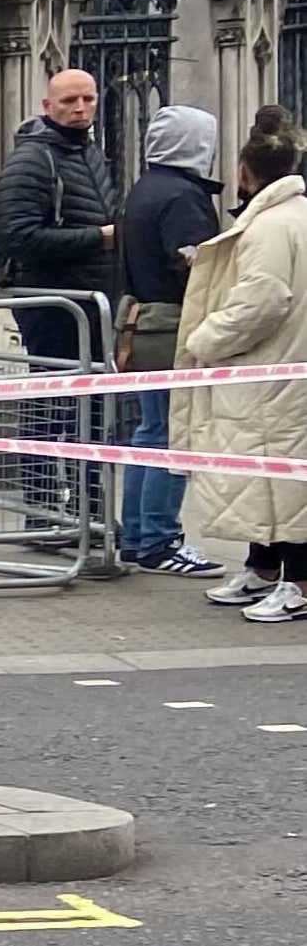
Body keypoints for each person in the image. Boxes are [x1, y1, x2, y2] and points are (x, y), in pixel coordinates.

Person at [0, 68, 121, 540]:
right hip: (52, 304)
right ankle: (42, 515)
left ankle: (89, 511)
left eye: (88, 99)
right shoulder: (32, 161)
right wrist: (96, 238)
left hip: (87, 302)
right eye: (69, 102)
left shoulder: (90, 152)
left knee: (90, 412)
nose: (80, 109)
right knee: (51, 409)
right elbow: (20, 237)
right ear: (48, 105)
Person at [184, 114, 307, 620]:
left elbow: (263, 301)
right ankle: (263, 567)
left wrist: (205, 340)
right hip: (277, 369)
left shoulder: (273, 226)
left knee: (285, 483)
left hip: (271, 371)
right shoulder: (286, 217)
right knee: (264, 478)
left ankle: (298, 582)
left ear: (244, 170)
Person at [113, 105, 226, 578]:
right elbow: (194, 263)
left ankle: (139, 536)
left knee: (150, 431)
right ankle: (159, 539)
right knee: (167, 434)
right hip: (171, 325)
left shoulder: (144, 189)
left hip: (142, 323)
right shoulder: (183, 196)